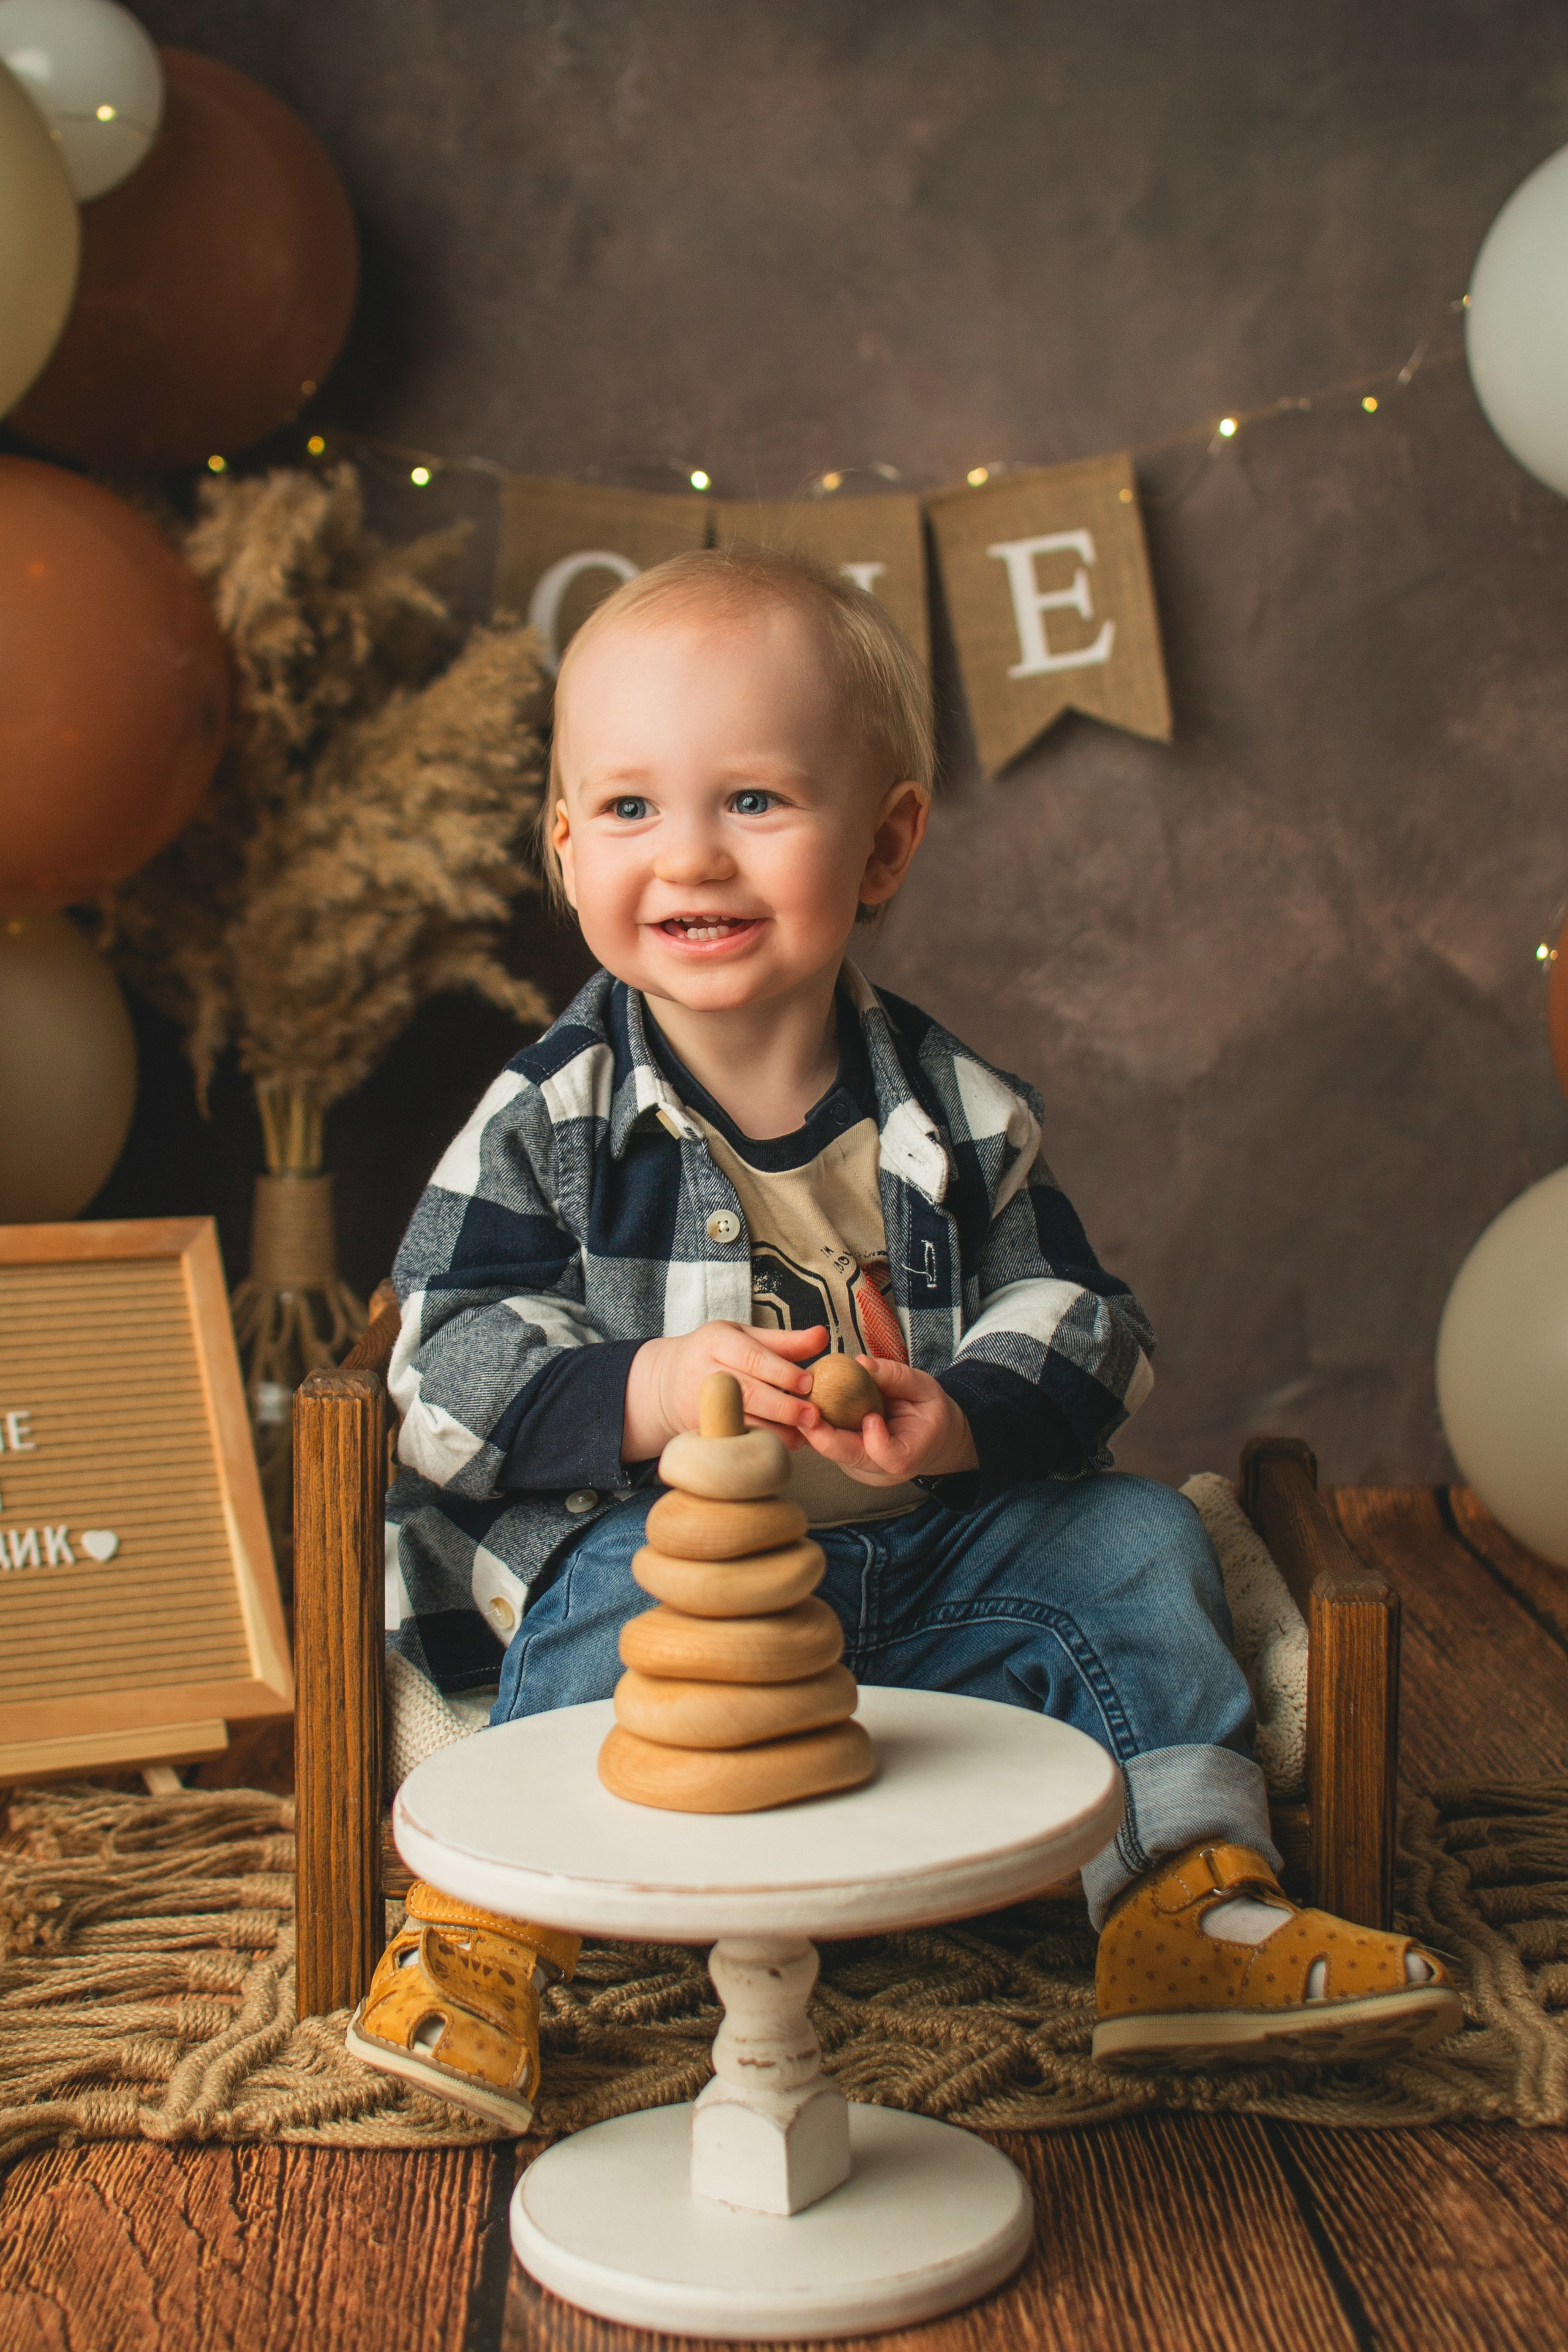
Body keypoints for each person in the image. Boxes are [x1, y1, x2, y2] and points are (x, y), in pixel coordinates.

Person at [346, 545, 1458, 2127]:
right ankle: (485, 1935)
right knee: (589, 1602)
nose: (692, 862)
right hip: (672, 1597)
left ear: (885, 845)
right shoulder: (548, 1119)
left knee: (1141, 1546)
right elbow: (437, 1370)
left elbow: (1090, 1322)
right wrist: (650, 1388)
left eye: (754, 802)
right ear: (564, 852)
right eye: (629, 809)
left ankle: (1185, 1911)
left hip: (920, 1572)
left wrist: (968, 1412)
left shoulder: (955, 1113)